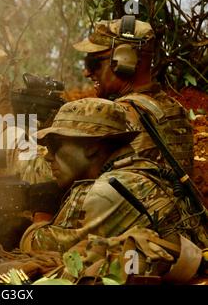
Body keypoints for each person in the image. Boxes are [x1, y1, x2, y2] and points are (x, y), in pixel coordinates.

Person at [18, 97, 206, 280]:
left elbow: (40, 247)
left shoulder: (108, 189)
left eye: (55, 145)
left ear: (92, 147)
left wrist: (40, 214)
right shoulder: (145, 171)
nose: (48, 157)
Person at [73, 15, 194, 175]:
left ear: (124, 60)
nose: (87, 72)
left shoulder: (118, 116)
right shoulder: (176, 110)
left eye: (93, 63)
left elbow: (69, 172)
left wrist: (29, 120)